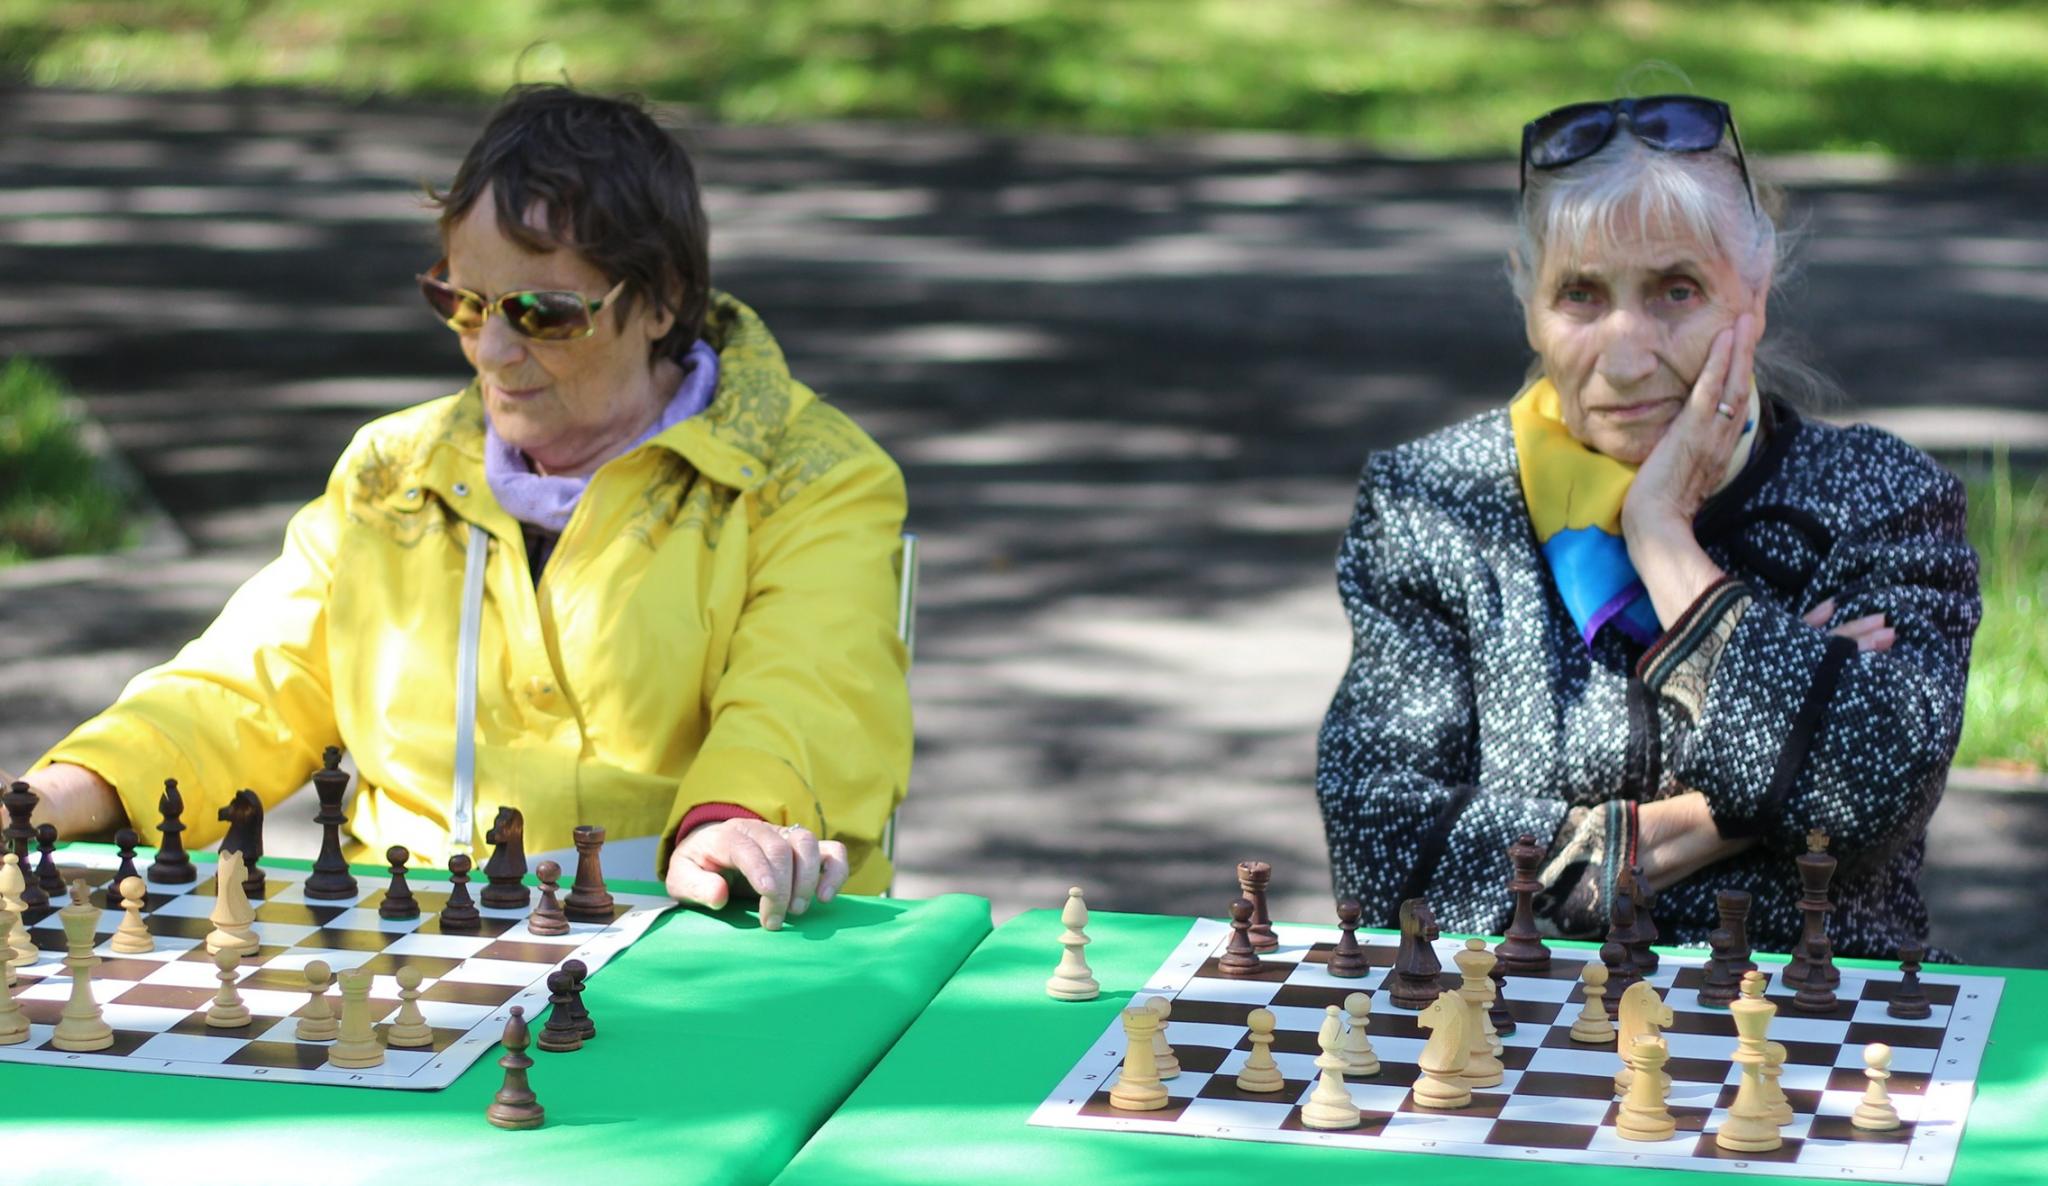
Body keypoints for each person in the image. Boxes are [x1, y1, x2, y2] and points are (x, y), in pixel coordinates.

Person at [3, 85, 912, 930]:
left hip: (696, 937)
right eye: (463, 302)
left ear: (663, 300)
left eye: (545, 313)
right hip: (409, 945)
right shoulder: (392, 467)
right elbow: (248, 682)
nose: (494, 352)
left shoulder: (811, 474)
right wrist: (67, 789)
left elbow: (807, 695)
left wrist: (735, 823)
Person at [1316, 94, 1979, 961]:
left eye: (1677, 290)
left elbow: (1862, 797)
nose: (1626, 360)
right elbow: (1383, 845)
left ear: (1757, 288)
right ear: (1526, 296)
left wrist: (1663, 534)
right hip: (1512, 1049)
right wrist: (1758, 784)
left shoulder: (1881, 499)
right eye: (1581, 295)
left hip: (1815, 1046)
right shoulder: (1434, 501)